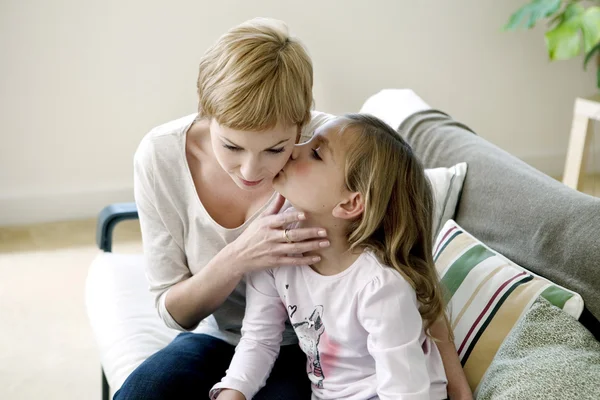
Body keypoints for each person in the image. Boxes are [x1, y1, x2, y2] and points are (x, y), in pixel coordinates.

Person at [114, 17, 472, 400]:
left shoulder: (329, 156)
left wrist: (460, 390)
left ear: (302, 125)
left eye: (275, 149)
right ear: (205, 112)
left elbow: (411, 273)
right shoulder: (161, 156)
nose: (252, 171)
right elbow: (180, 316)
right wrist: (239, 256)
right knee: (145, 391)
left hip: (306, 352)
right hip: (226, 336)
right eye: (232, 146)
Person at [210, 114, 451, 400]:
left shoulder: (381, 286)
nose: (295, 148)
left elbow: (405, 392)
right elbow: (259, 339)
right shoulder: (274, 246)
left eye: (316, 153)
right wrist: (232, 392)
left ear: (350, 203)